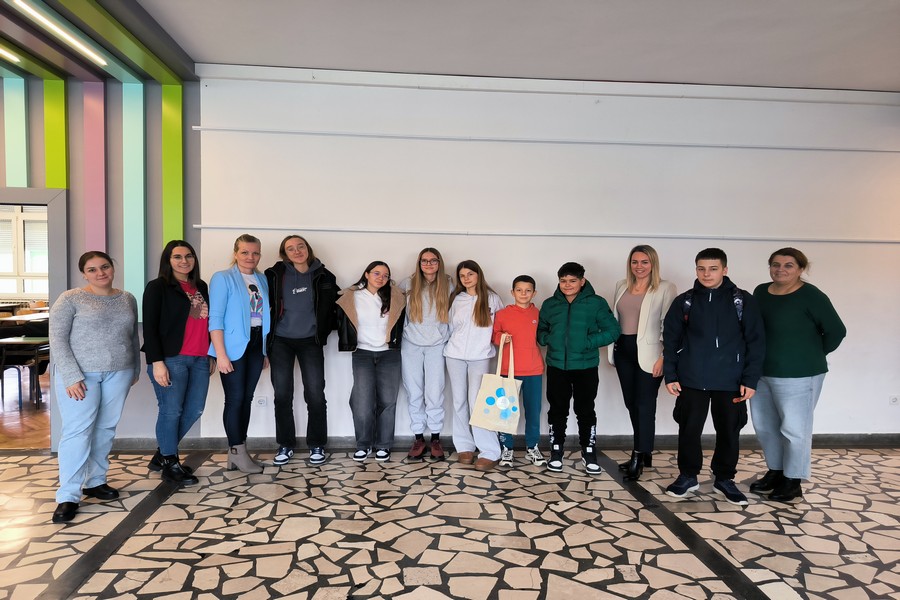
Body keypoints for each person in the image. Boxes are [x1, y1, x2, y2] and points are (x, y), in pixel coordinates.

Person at [662, 248, 766, 506]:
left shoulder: (743, 301)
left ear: (725, 270)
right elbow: (671, 341)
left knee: (729, 431)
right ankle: (688, 476)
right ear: (696, 269)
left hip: (731, 380)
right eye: (701, 268)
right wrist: (670, 375)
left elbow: (756, 342)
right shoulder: (685, 301)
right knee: (689, 429)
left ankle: (725, 479)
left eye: (713, 269)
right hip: (691, 379)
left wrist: (750, 379)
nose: (706, 274)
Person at [49, 251, 140, 523]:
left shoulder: (127, 298)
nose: (100, 273)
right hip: (81, 375)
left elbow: (132, 337)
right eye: (92, 269)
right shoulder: (70, 299)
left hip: (119, 372)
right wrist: (70, 375)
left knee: (105, 429)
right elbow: (57, 339)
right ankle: (68, 495)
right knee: (78, 432)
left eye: (105, 267)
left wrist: (134, 368)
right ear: (84, 274)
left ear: (112, 268)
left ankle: (96, 481)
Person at [749, 248, 846, 502]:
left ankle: (793, 480)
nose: (780, 269)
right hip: (762, 372)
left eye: (788, 265)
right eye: (776, 264)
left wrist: (810, 353)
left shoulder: (811, 296)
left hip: (799, 374)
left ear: (801, 269)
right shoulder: (761, 292)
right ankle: (776, 471)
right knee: (765, 426)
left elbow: (836, 331)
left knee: (794, 429)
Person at [538, 262, 620, 476]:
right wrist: (549, 339)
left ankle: (589, 452)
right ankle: (556, 451)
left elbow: (613, 330)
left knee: (585, 410)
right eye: (563, 281)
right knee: (557, 410)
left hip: (585, 367)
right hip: (557, 366)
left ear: (582, 281)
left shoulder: (596, 303)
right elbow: (541, 330)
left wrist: (587, 342)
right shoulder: (550, 304)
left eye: (572, 281)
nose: (567, 285)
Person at [142, 240, 212, 486]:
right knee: (171, 411)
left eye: (189, 256)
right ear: (168, 260)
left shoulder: (200, 286)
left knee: (195, 409)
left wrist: (211, 354)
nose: (184, 261)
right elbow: (150, 328)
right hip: (172, 359)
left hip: (200, 358)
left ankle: (163, 454)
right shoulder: (158, 287)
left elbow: (205, 323)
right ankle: (170, 462)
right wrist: (157, 362)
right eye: (177, 257)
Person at [264, 235, 338, 467]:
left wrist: (324, 330)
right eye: (290, 249)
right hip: (280, 341)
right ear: (284, 254)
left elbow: (335, 304)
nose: (297, 251)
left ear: (308, 249)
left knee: (315, 394)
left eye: (300, 246)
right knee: (282, 395)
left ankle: (317, 444)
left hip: (311, 341)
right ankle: (285, 444)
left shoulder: (324, 275)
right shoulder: (273, 275)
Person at [608, 246, 677, 481]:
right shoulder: (621, 286)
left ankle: (638, 454)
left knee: (644, 405)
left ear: (653, 264)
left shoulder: (665, 288)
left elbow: (670, 324)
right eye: (635, 262)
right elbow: (616, 319)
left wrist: (665, 357)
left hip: (651, 353)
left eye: (644, 262)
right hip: (623, 350)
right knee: (631, 403)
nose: (639, 266)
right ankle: (644, 451)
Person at [209, 234, 270, 474]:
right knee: (235, 399)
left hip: (256, 344)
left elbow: (264, 316)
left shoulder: (261, 279)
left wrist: (264, 350)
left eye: (255, 253)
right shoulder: (223, 278)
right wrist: (220, 354)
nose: (250, 257)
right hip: (232, 347)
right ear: (235, 253)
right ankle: (237, 451)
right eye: (245, 252)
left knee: (247, 398)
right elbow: (215, 318)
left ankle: (239, 451)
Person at [336, 261, 405, 462]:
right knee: (362, 402)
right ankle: (363, 445)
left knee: (388, 401)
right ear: (366, 274)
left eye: (385, 275)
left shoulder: (395, 296)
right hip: (362, 353)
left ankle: (383, 445)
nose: (381, 278)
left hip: (389, 354)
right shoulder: (351, 296)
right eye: (376, 273)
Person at [445, 260, 505, 472]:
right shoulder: (456, 299)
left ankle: (489, 451)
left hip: (480, 356)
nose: (466, 278)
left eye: (470, 274)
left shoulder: (492, 299)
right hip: (454, 355)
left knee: (479, 402)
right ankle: (464, 446)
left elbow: (500, 326)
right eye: (462, 275)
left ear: (478, 274)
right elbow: (450, 327)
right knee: (459, 400)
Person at [399, 248, 452, 461]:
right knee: (414, 391)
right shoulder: (407, 284)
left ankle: (436, 438)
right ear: (419, 263)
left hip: (437, 345)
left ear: (439, 263)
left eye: (433, 260)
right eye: (424, 260)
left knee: (434, 392)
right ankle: (419, 437)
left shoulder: (449, 284)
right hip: (411, 344)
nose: (428, 264)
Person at [492, 275, 546, 467]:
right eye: (519, 290)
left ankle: (532, 447)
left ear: (534, 293)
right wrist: (501, 338)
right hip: (509, 370)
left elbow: (544, 336)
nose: (523, 294)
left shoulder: (539, 314)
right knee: (505, 412)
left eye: (528, 290)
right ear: (512, 292)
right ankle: (507, 448)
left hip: (533, 370)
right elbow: (494, 335)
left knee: (533, 411)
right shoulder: (502, 314)